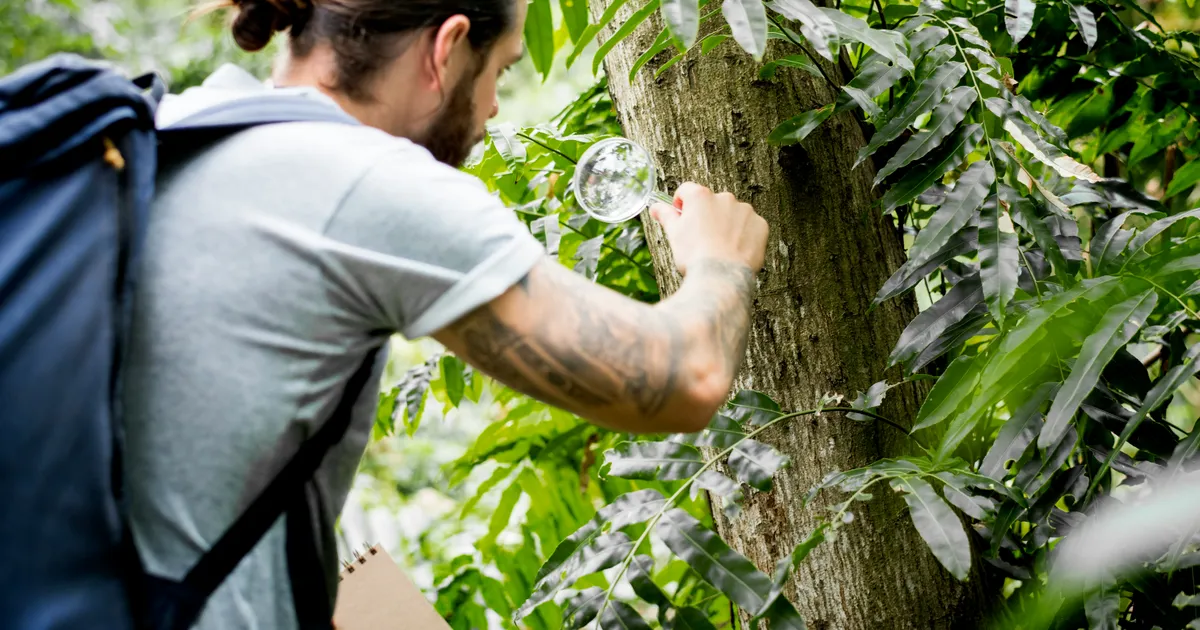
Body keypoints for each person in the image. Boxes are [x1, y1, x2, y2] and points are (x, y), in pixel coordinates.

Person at [122, 0, 770, 627]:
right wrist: (721, 261)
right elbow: (685, 379)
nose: (491, 108)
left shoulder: (162, 129)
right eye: (503, 71)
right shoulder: (366, 178)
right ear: (449, 46)